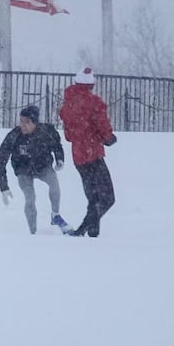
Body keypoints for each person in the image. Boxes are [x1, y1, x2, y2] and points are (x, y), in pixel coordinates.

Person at [58, 67, 116, 237]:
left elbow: (68, 136)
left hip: (78, 156)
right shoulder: (94, 103)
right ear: (91, 84)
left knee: (94, 198)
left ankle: (92, 235)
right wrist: (109, 138)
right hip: (94, 154)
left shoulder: (67, 106)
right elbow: (103, 127)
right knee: (107, 198)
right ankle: (83, 229)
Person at [0, 103, 66, 235]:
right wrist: (4, 187)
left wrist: (60, 159)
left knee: (54, 184)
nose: (22, 125)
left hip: (43, 166)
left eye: (27, 122)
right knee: (30, 197)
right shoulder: (14, 135)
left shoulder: (47, 131)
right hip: (23, 170)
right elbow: (0, 160)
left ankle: (55, 215)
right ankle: (33, 233)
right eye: (21, 121)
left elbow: (57, 145)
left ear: (35, 123)